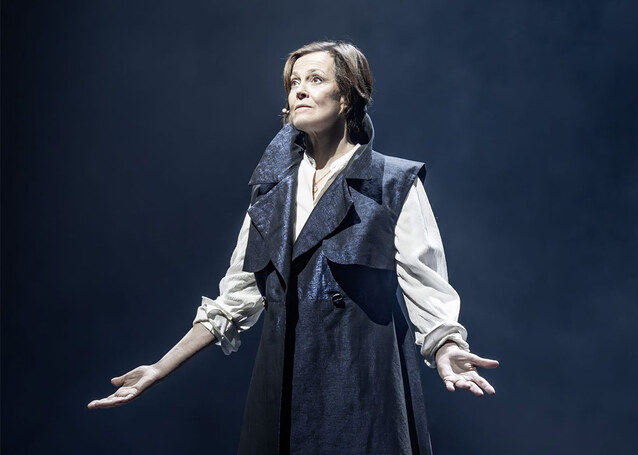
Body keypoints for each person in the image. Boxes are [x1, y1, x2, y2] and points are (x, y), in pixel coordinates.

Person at [88, 40, 499, 454]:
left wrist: (447, 348)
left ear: (347, 97)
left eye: (315, 80)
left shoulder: (393, 183)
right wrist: (159, 368)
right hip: (279, 393)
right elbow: (235, 300)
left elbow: (425, 286)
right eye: (294, 82)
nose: (299, 90)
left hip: (362, 389)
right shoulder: (271, 192)